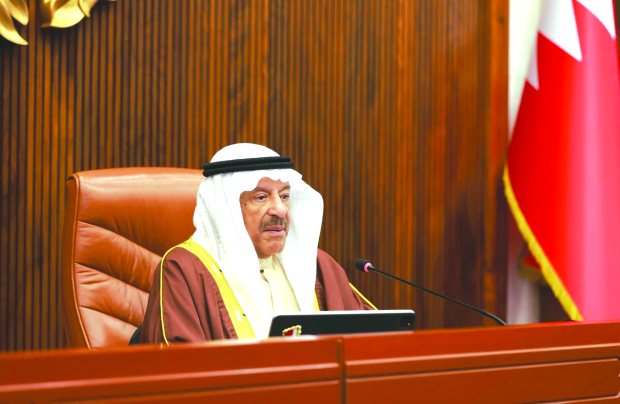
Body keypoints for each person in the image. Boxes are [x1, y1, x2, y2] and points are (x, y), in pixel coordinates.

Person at [140, 143, 375, 344]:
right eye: (261, 197)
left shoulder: (317, 265)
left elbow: (375, 338)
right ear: (227, 209)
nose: (280, 210)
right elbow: (180, 369)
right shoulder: (184, 271)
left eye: (284, 196)